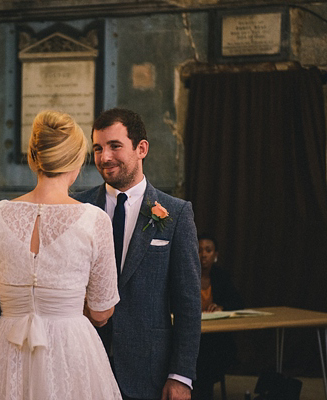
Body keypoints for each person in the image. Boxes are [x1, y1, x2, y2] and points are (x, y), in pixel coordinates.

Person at [0, 110, 122, 400]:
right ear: (77, 161)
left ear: (34, 159)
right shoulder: (94, 220)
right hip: (70, 353)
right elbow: (101, 312)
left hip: (5, 353)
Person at [74, 108, 201, 400]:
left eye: (114, 146)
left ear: (141, 148)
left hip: (148, 371)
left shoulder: (177, 214)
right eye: (97, 148)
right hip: (83, 364)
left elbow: (188, 303)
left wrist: (181, 375)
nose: (104, 157)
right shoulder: (76, 208)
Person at [193, 234, 243, 400]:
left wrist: (222, 308)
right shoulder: (186, 276)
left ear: (216, 255)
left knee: (211, 352)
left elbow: (238, 302)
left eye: (208, 250)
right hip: (191, 336)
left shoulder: (221, 276)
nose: (204, 254)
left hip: (215, 338)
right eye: (199, 250)